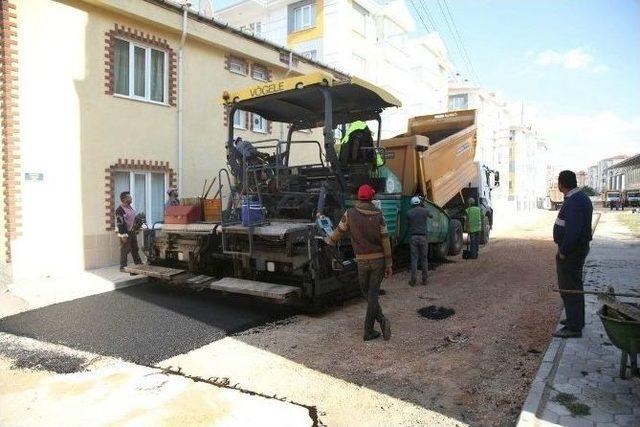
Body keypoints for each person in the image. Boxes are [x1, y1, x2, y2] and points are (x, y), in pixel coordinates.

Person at [325, 184, 393, 341]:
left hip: (362, 261)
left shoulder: (350, 214)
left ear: (358, 197)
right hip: (378, 261)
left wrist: (329, 241)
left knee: (366, 293)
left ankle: (370, 330)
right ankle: (380, 321)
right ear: (372, 198)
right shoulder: (379, 215)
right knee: (373, 294)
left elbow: (338, 232)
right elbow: (385, 240)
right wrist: (388, 263)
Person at [553, 170, 593, 338]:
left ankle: (574, 327)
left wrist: (563, 251)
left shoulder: (575, 202)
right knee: (573, 286)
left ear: (561, 184)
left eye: (558, 182)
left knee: (570, 288)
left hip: (571, 252)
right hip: (575, 250)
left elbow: (574, 231)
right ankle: (574, 319)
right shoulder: (578, 198)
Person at [407, 196, 433, 287]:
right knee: (424, 258)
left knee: (414, 259)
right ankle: (424, 279)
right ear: (419, 202)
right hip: (423, 238)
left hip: (413, 238)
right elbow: (431, 215)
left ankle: (413, 280)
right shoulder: (424, 211)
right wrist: (423, 205)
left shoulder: (409, 213)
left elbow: (409, 224)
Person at [116, 191, 142, 272]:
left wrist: (137, 225)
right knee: (125, 250)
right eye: (129, 197)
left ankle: (138, 263)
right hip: (125, 233)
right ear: (124, 199)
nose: (131, 198)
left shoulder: (130, 207)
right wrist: (123, 235)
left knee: (135, 248)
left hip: (132, 231)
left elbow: (133, 219)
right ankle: (123, 266)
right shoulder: (120, 210)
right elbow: (120, 223)